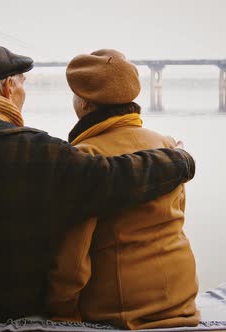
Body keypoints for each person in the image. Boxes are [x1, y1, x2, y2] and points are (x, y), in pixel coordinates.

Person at [0, 44, 195, 323]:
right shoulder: (36, 151)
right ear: (10, 87)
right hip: (14, 309)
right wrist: (179, 160)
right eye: (23, 82)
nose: (24, 90)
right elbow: (113, 176)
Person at [46, 49, 200, 329]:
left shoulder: (85, 155)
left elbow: (72, 257)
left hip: (122, 307)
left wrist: (62, 311)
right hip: (182, 297)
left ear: (85, 105)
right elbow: (178, 215)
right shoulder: (167, 145)